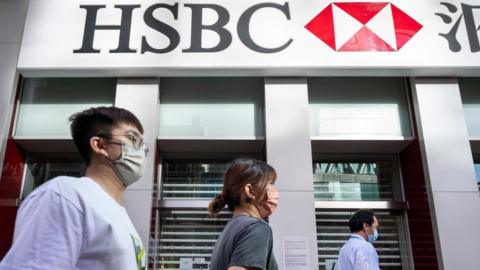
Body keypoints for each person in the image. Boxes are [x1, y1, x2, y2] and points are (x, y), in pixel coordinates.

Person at [0, 106, 148, 270]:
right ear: (99, 145)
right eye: (132, 139)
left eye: (142, 145)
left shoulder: (118, 213)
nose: (141, 151)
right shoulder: (65, 195)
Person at [208, 158, 280, 270]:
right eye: (271, 183)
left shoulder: (232, 228)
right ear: (250, 191)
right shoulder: (255, 228)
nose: (275, 190)